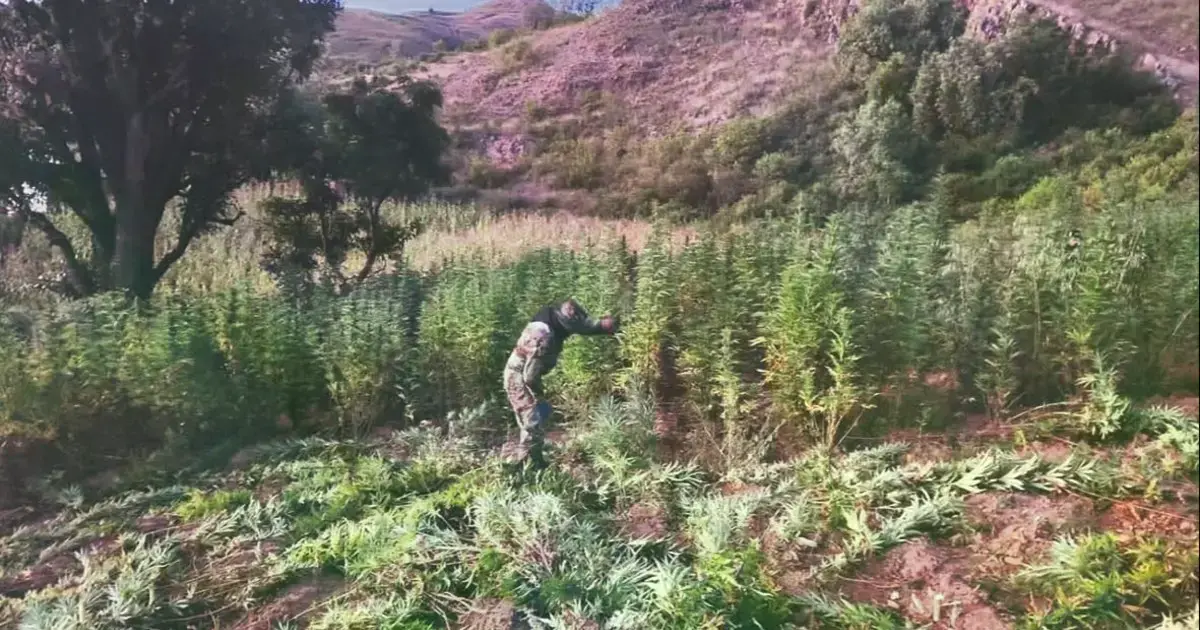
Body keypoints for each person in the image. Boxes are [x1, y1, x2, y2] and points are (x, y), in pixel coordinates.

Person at [504, 298, 619, 467]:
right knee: (532, 421)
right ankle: (527, 466)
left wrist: (604, 326)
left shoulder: (552, 319)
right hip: (518, 378)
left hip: (524, 375)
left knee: (536, 419)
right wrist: (540, 396)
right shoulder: (543, 336)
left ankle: (533, 460)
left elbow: (585, 326)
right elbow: (530, 377)